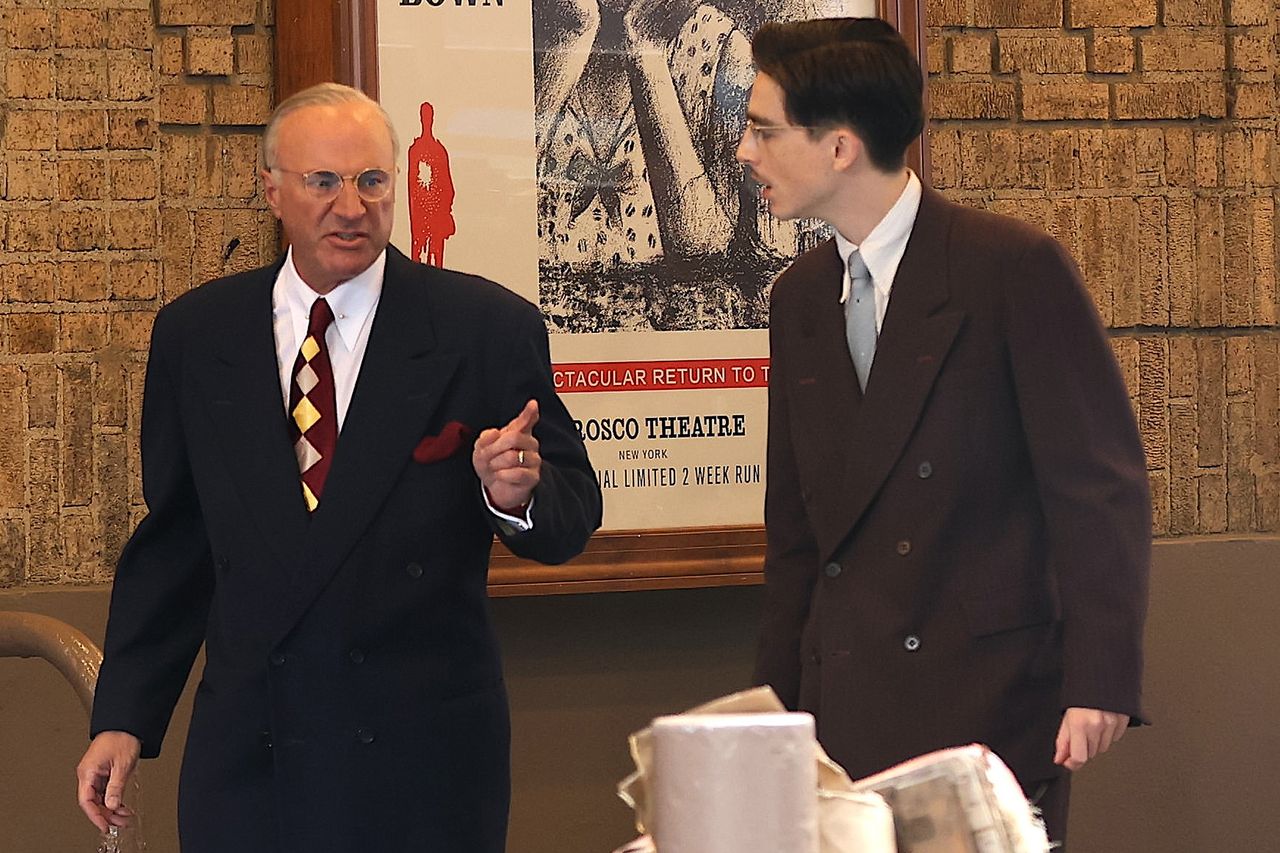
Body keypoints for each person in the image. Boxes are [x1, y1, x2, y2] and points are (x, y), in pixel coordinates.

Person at [75, 82, 602, 853]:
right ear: (273, 192)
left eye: (371, 181)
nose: (351, 206)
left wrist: (515, 493)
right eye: (323, 181)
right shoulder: (197, 335)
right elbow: (179, 541)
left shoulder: (482, 327)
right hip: (252, 759)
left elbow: (571, 513)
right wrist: (124, 716)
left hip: (421, 764)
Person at [738, 18, 1150, 846]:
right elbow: (798, 536)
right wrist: (771, 721)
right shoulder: (800, 298)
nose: (745, 151)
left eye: (763, 128)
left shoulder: (1009, 268)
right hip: (842, 706)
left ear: (841, 146)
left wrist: (1100, 679)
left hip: (987, 704)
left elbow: (1095, 485)